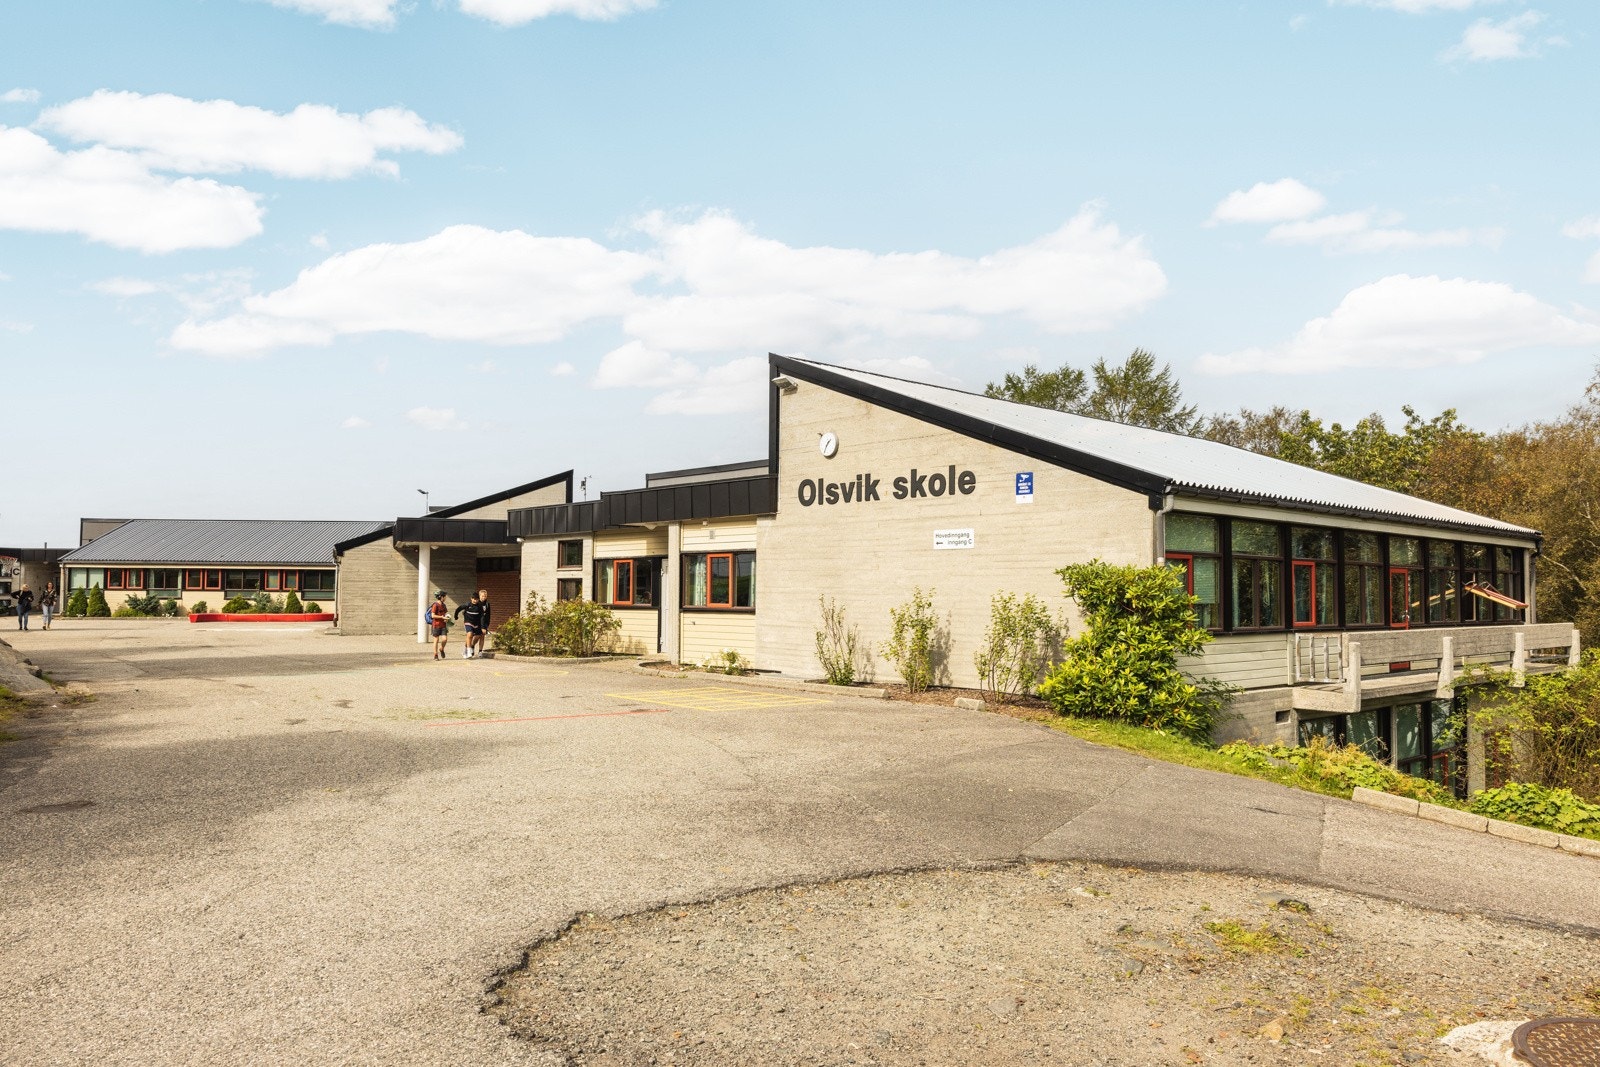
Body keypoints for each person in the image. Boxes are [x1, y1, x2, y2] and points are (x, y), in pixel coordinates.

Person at [454, 593, 487, 659]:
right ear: (471, 599)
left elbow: (482, 617)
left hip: (476, 623)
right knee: (470, 634)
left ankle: (465, 650)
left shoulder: (479, 606)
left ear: (478, 600)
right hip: (468, 622)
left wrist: (483, 627)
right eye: (474, 599)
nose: (475, 601)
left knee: (477, 636)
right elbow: (458, 609)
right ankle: (469, 650)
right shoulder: (467, 605)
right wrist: (456, 616)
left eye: (476, 599)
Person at [428, 591, 450, 660]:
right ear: (441, 597)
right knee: (436, 640)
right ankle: (435, 655)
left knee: (445, 639)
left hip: (443, 625)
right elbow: (433, 615)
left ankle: (441, 649)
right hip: (436, 625)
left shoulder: (444, 605)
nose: (445, 598)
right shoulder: (435, 605)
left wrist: (447, 618)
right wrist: (442, 617)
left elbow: (446, 614)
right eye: (445, 596)